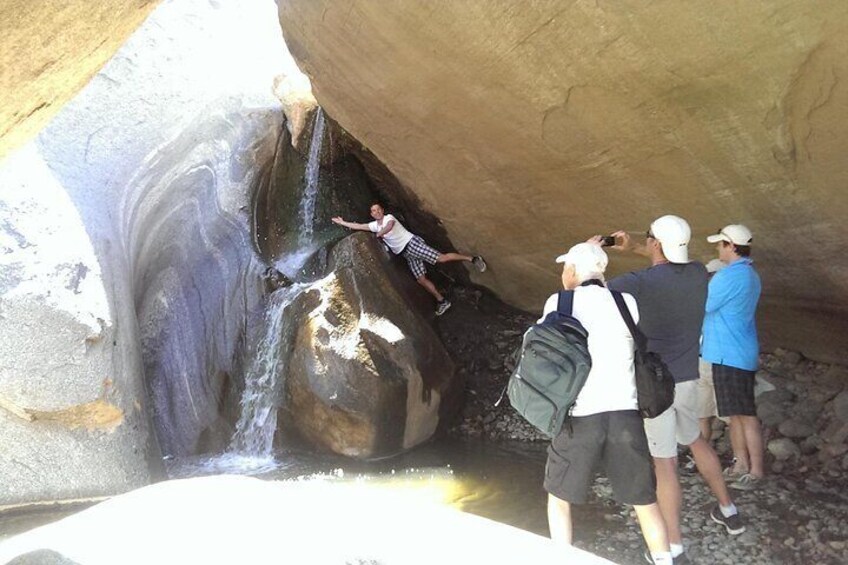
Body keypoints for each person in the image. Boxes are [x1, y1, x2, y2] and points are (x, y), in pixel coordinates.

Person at [605, 215, 744, 563]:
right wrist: (639, 246)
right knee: (696, 441)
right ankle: (729, 512)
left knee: (665, 464)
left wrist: (597, 251)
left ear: (655, 242)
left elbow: (594, 287)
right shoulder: (698, 272)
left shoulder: (639, 282)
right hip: (688, 378)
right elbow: (666, 266)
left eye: (649, 239)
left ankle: (674, 548)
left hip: (657, 387)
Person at [541, 243, 672, 565]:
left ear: (571, 270)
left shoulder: (559, 301)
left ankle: (561, 558)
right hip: (625, 415)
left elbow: (544, 350)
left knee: (559, 497)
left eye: (565, 267)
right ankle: (665, 561)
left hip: (580, 416)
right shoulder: (626, 302)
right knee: (645, 501)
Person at [332, 203, 486, 315]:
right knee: (420, 279)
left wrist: (380, 234)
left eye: (379, 209)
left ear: (382, 211)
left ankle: (472, 259)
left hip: (411, 244)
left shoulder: (388, 218)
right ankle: (442, 301)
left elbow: (390, 226)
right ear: (372, 214)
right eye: (374, 211)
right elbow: (359, 226)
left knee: (441, 258)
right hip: (406, 253)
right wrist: (342, 222)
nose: (377, 212)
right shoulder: (373, 225)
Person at [702, 225, 763, 490]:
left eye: (720, 244)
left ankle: (756, 471)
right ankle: (741, 465)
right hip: (734, 351)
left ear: (731, 246)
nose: (718, 248)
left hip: (730, 354)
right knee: (736, 415)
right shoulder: (750, 274)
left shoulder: (727, 277)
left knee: (745, 416)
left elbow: (703, 305)